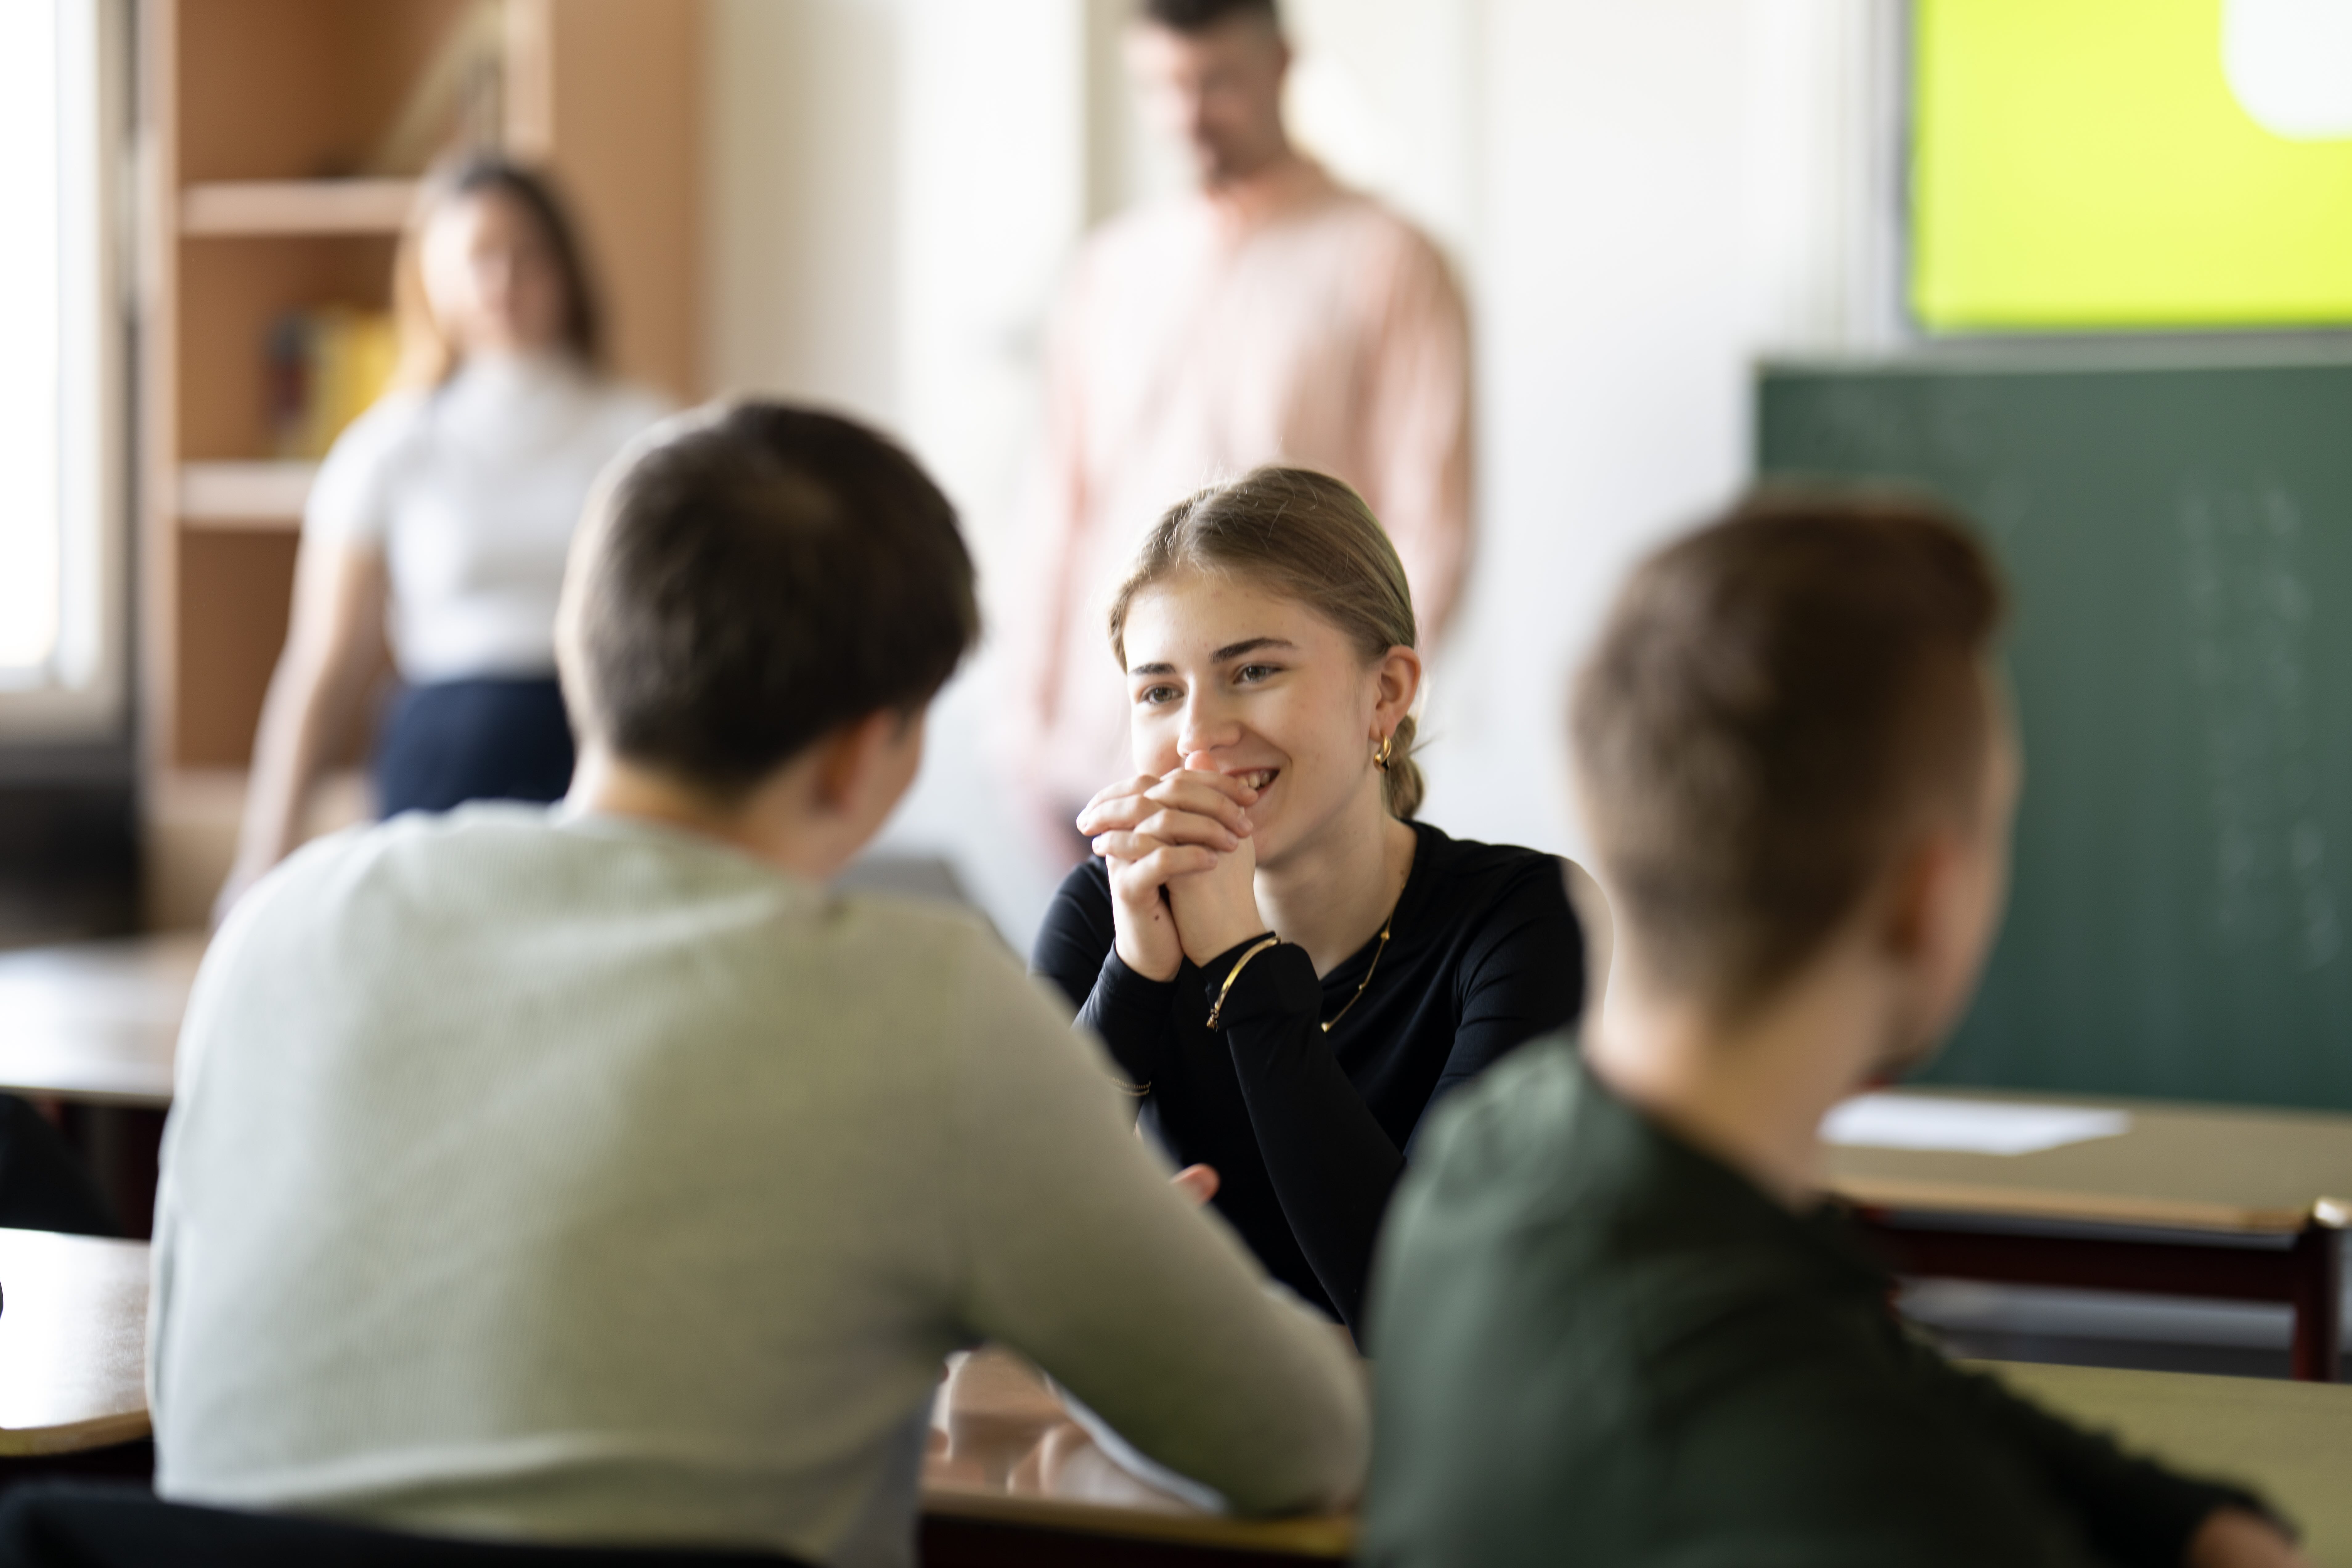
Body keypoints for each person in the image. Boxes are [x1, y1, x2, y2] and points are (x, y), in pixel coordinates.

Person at [150, 405, 1367, 1565]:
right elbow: (1303, 1445)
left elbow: (187, 1397)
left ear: (582, 659)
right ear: (866, 752)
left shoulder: (279, 930)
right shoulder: (927, 1014)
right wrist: (1070, 1308)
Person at [1362, 493, 2306, 1568]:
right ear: (1927, 897)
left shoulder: (1496, 1148)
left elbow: (1864, 1352)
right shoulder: (1867, 1490)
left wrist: (2183, 1518)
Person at [1031, 467, 1586, 1336]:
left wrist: (1244, 963)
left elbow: (1422, 1312)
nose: (1199, 739)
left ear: (1387, 694)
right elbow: (998, 1259)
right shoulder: (1108, 911)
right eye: (1160, 691)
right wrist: (1137, 975)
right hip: (1176, 1444)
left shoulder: (1527, 922)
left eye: (1252, 671)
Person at [1002, 0, 1474, 851]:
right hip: (1097, 760)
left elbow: (1429, 528)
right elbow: (1057, 506)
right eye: (1163, 87)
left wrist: (1363, 740)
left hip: (1276, 775)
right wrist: (1027, 732)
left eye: (1216, 83)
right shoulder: (1109, 271)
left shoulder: (1387, 259)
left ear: (1282, 68)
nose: (1187, 116)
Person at [217, 154, 672, 918]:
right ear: (432, 281)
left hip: (595, 745)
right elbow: (323, 666)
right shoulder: (390, 448)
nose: (503, 281)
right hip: (443, 757)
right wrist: (263, 854)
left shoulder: (646, 433)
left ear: (566, 265)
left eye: (526, 255)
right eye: (476, 259)